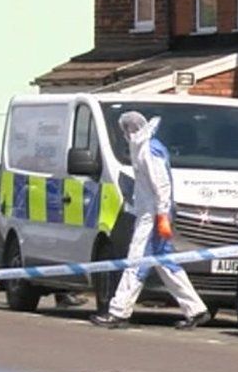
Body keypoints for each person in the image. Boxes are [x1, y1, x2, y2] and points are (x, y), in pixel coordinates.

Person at [90, 112, 211, 330]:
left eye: (125, 131)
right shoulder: (144, 147)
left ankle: (118, 312)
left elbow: (162, 186)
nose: (125, 135)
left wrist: (162, 217)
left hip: (153, 216)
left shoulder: (149, 150)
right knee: (165, 263)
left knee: (135, 262)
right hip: (151, 213)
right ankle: (196, 310)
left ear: (130, 130)